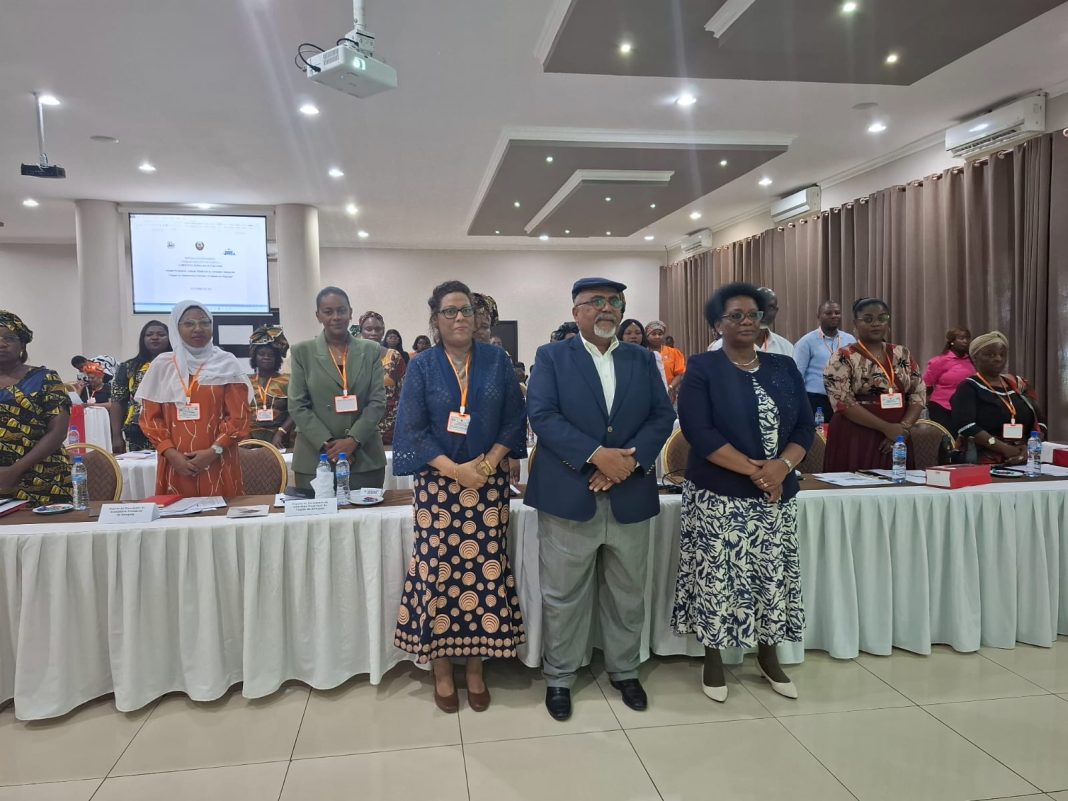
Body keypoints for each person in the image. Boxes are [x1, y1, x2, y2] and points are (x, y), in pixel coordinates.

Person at [526, 277, 676, 722]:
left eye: (615, 302)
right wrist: (596, 457)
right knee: (563, 594)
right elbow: (542, 415)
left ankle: (625, 670)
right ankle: (560, 676)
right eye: (596, 302)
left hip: (629, 493)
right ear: (577, 312)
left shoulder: (641, 359)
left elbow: (661, 415)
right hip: (569, 495)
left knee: (628, 592)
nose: (607, 309)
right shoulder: (552, 356)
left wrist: (625, 465)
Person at [673, 283, 813, 702]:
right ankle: (713, 658)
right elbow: (699, 431)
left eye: (753, 314)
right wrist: (759, 472)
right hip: (719, 494)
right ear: (718, 323)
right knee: (719, 579)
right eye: (735, 315)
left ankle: (769, 657)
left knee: (771, 578)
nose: (747, 322)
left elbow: (805, 427)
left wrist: (781, 467)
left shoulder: (783, 367)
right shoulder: (702, 367)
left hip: (775, 495)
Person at [392, 280, 528, 714]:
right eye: (449, 311)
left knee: (483, 573)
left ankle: (475, 667)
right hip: (438, 487)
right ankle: (442, 669)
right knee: (440, 574)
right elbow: (411, 430)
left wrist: (485, 468)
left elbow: (513, 418)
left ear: (477, 316)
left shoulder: (497, 361)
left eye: (466, 310)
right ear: (435, 320)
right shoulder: (423, 365)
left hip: (486, 488)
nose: (459, 318)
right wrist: (456, 471)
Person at [136, 301, 253, 496]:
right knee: (178, 518)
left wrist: (213, 451)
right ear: (176, 327)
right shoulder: (162, 366)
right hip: (176, 463)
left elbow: (239, 417)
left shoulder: (227, 363)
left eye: (205, 323)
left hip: (219, 461)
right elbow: (150, 418)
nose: (198, 329)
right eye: (189, 324)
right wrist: (171, 454)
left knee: (220, 519)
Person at [289, 288, 387, 491]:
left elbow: (377, 401)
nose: (336, 317)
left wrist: (353, 440)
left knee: (366, 521)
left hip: (364, 458)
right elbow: (298, 405)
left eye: (341, 310)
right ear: (318, 316)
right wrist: (330, 444)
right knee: (316, 522)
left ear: (350, 313)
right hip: (315, 459)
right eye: (328, 311)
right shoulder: (302, 352)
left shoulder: (371, 351)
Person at [822, 298, 926, 472]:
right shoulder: (843, 356)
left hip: (899, 435)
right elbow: (842, 401)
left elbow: (919, 393)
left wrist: (902, 429)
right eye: (868, 319)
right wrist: (887, 428)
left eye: (882, 318)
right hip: (857, 433)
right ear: (855, 323)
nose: (876, 324)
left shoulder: (902, 353)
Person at [0, 311, 72, 505]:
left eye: (9, 338)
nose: (1, 343)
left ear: (22, 344)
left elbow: (58, 432)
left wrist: (14, 471)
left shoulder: (45, 379)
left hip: (42, 481)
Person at [950, 331, 1044, 465]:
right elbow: (966, 426)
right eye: (990, 355)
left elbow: (1040, 422)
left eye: (1002, 354)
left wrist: (1030, 449)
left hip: (1024, 457)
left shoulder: (1019, 384)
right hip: (982, 459)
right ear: (974, 357)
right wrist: (1005, 449)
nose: (998, 359)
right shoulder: (968, 387)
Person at [110, 320, 171, 453]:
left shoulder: (179, 365)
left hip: (173, 427)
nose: (155, 337)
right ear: (143, 339)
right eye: (149, 334)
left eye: (161, 334)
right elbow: (117, 402)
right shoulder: (128, 367)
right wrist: (116, 436)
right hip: (138, 429)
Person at [792, 301, 856, 422]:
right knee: (820, 437)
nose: (834, 316)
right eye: (828, 313)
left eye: (837, 313)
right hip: (816, 399)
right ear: (818, 316)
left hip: (844, 398)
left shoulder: (849, 339)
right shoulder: (807, 341)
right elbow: (797, 374)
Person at [353, 311, 407, 446]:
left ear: (383, 331)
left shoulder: (394, 356)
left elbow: (404, 392)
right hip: (359, 423)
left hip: (390, 424)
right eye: (368, 329)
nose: (373, 333)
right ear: (361, 331)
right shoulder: (351, 357)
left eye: (378, 329)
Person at [247, 325, 295, 450]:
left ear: (277, 359)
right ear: (254, 357)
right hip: (249, 440)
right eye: (262, 354)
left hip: (280, 439)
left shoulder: (287, 381)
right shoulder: (245, 382)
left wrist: (280, 432)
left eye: (271, 355)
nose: (266, 357)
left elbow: (295, 411)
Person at [708, 287, 794, 356]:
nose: (764, 312)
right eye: (760, 307)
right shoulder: (720, 346)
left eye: (770, 307)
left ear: (776, 311)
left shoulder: (786, 347)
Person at [922, 327, 973, 431]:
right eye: (961, 338)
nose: (965, 341)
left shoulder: (973, 361)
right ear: (952, 342)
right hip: (942, 407)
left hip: (966, 407)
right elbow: (927, 385)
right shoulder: (939, 361)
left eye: (967, 338)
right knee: (947, 442)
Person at [618, 318, 669, 390]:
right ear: (621, 335)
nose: (633, 336)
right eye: (628, 333)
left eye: (638, 333)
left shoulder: (653, 357)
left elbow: (662, 386)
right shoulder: (614, 358)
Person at [645, 321, 686, 400]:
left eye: (660, 334)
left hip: (669, 394)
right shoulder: (643, 352)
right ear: (647, 336)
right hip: (647, 394)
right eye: (653, 334)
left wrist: (670, 387)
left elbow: (679, 374)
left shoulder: (674, 352)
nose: (657, 336)